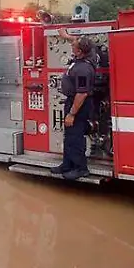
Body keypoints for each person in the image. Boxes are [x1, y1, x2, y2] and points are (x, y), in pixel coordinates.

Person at [51, 29, 97, 180]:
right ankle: (67, 164)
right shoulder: (88, 53)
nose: (71, 46)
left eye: (74, 46)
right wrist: (66, 36)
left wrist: (72, 113)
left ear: (79, 51)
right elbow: (78, 40)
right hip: (73, 102)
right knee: (69, 135)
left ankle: (80, 168)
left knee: (75, 136)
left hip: (78, 104)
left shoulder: (83, 69)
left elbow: (82, 93)